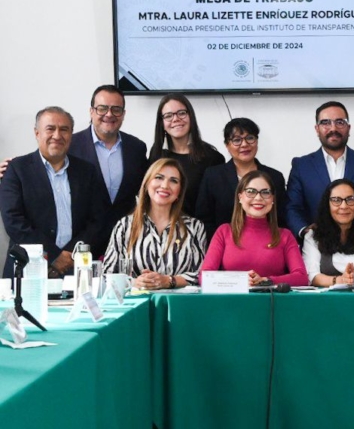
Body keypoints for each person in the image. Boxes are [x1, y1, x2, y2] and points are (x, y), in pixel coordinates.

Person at [0, 107, 109, 279]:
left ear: (71, 134)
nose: (57, 136)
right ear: (37, 133)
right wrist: (54, 256)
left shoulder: (87, 171)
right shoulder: (17, 169)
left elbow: (97, 220)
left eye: (64, 129)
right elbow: (13, 221)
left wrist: (70, 255)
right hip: (28, 270)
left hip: (75, 269)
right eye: (50, 129)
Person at [286, 101, 354, 240]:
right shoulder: (301, 166)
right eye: (325, 123)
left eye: (340, 122)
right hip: (315, 245)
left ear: (348, 128)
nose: (333, 128)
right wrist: (305, 232)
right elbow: (292, 208)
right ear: (317, 129)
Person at [103, 158, 207, 288]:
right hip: (137, 299)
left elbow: (202, 275)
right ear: (147, 184)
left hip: (178, 300)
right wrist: (135, 283)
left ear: (180, 191)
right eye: (159, 177)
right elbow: (107, 275)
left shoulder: (195, 227)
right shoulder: (124, 226)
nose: (165, 185)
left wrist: (169, 281)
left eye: (173, 181)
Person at [201, 170, 308, 286]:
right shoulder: (224, 232)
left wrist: (266, 281)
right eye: (251, 192)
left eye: (265, 192)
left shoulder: (285, 235)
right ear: (240, 197)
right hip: (231, 297)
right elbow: (204, 276)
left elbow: (301, 277)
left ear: (272, 199)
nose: (258, 198)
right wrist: (239, 280)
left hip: (270, 297)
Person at [69, 85, 149, 228]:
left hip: (126, 233)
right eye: (102, 108)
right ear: (91, 112)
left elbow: (143, 191)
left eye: (116, 109)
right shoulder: (70, 146)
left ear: (123, 114)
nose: (109, 114)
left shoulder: (137, 148)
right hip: (84, 233)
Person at [196, 118, 287, 242]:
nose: (244, 144)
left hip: (266, 246)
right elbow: (204, 219)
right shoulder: (213, 176)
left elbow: (281, 219)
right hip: (224, 246)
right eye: (237, 140)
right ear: (227, 145)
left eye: (250, 138)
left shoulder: (275, 177)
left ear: (257, 141)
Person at [149, 93, 224, 215]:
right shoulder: (157, 153)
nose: (175, 119)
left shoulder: (212, 158)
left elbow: (216, 206)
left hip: (197, 225)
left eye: (181, 113)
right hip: (160, 224)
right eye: (168, 116)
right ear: (162, 123)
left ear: (191, 117)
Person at [303, 179, 354, 286]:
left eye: (350, 199)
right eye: (336, 200)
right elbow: (311, 276)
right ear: (327, 205)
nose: (343, 206)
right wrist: (340, 280)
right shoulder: (313, 236)